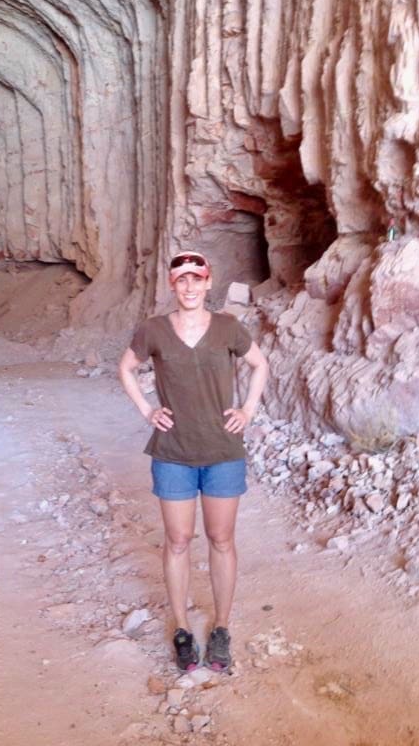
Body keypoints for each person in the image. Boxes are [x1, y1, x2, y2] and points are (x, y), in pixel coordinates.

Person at [118, 251, 269, 672]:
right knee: (179, 540)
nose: (188, 287)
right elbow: (126, 368)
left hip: (222, 451)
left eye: (196, 279)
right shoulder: (153, 330)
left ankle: (221, 628)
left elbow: (259, 365)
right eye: (181, 279)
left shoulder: (227, 328)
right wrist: (147, 410)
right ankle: (183, 630)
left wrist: (248, 410)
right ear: (172, 284)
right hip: (174, 452)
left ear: (208, 282)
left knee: (221, 539)